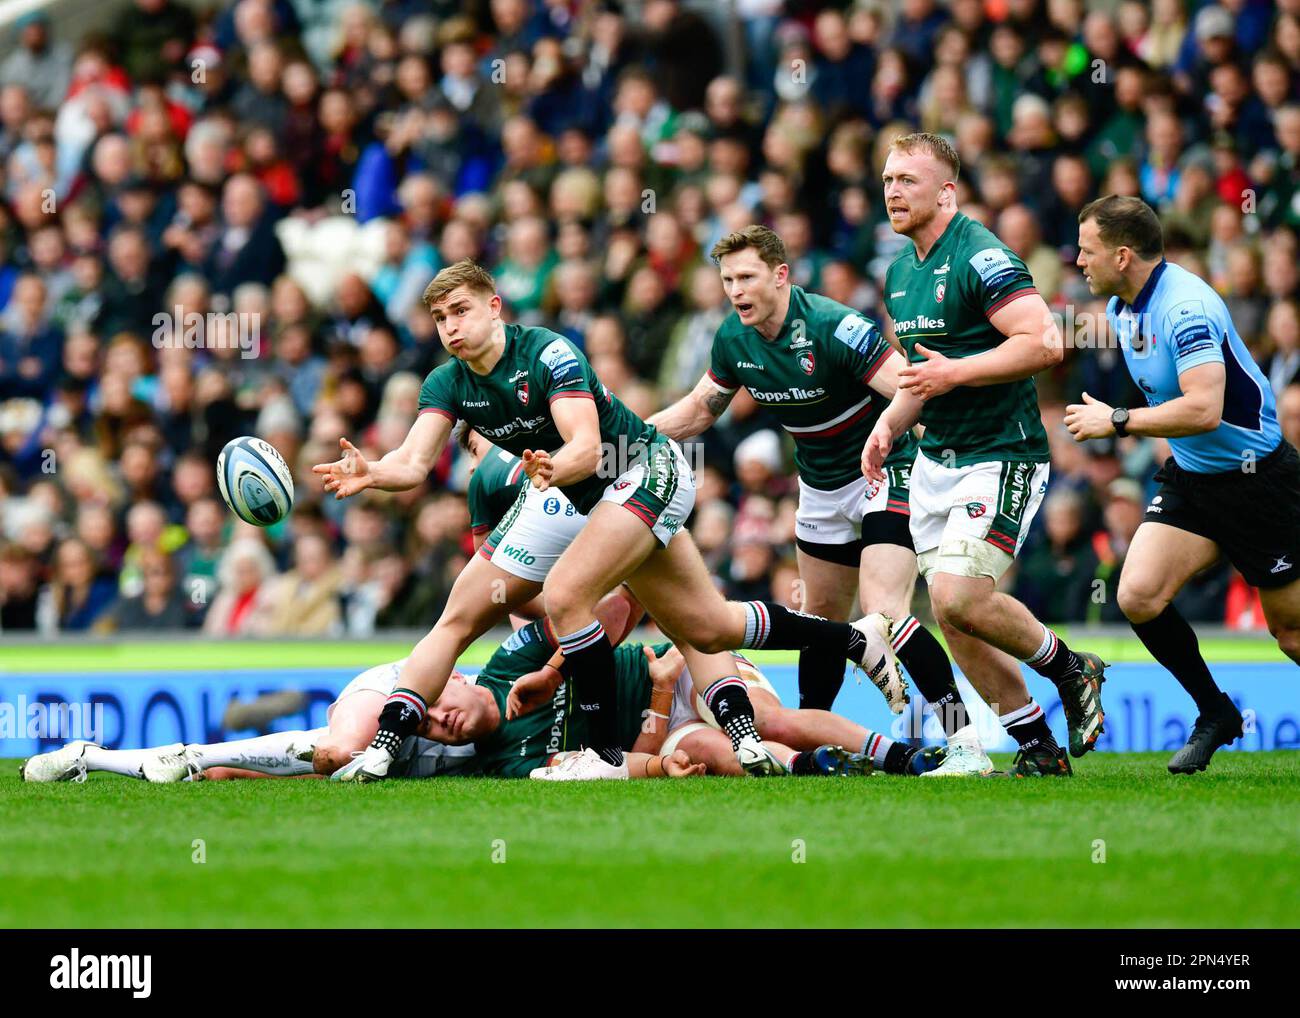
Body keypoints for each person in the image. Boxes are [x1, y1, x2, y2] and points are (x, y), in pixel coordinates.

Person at [313, 261, 896, 783]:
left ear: (495, 307)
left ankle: (598, 757)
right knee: (708, 626)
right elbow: (413, 462)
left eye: (460, 310)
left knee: (569, 593)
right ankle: (852, 636)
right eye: (440, 318)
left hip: (644, 469)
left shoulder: (547, 352)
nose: (450, 327)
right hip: (583, 498)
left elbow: (588, 448)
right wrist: (373, 472)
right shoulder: (447, 382)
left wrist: (551, 468)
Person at [649, 224, 990, 776]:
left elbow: (908, 390)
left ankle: (967, 744)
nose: (736, 291)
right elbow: (700, 410)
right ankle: (820, 745)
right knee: (823, 621)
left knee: (885, 610)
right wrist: (629, 440)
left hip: (884, 470)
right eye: (728, 279)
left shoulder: (838, 327)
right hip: (820, 485)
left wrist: (946, 464)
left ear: (780, 275)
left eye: (747, 277)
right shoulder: (733, 340)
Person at [864, 132, 1109, 778]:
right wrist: (888, 424)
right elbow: (922, 374)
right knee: (946, 611)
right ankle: (1034, 744)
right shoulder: (898, 272)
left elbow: (1045, 342)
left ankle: (1068, 667)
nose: (892, 191)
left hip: (1000, 455)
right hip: (933, 462)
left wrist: (956, 375)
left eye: (907, 181)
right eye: (888, 180)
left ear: (947, 191)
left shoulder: (981, 255)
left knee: (956, 596)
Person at [1069, 194, 1300, 773]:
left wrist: (1118, 421)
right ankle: (1215, 712)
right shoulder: (1124, 310)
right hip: (1195, 478)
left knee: (1292, 635)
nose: (1078, 261)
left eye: (1087, 250)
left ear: (1122, 256)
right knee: (1137, 595)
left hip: (1258, 483)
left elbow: (1202, 410)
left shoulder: (1186, 307)